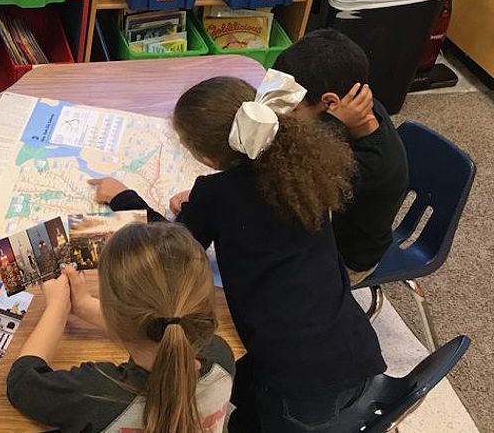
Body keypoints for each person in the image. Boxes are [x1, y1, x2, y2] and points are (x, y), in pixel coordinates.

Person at [92, 71, 386, 432]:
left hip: (295, 386)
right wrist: (201, 204)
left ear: (204, 153)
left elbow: (173, 246)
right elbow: (254, 211)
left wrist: (125, 198)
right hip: (353, 348)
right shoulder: (299, 170)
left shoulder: (216, 194)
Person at [6, 223, 236, 432]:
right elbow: (162, 325)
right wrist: (85, 306)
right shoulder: (221, 357)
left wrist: (56, 307)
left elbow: (23, 383)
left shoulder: (98, 394)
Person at [274, 28, 410, 284]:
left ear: (331, 104)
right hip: (327, 222)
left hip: (346, 259)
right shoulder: (356, 104)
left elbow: (288, 182)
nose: (284, 115)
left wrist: (329, 124)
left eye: (292, 108)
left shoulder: (371, 165)